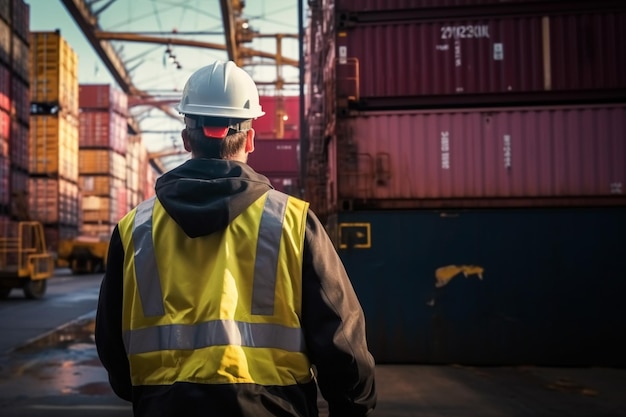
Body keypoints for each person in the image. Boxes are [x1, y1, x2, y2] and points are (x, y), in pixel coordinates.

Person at [95, 60, 377, 417]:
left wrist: (149, 392)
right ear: (251, 138)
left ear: (185, 139)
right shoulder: (293, 221)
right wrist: (352, 406)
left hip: (164, 406)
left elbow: (111, 341)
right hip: (274, 408)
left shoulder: (134, 228)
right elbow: (342, 336)